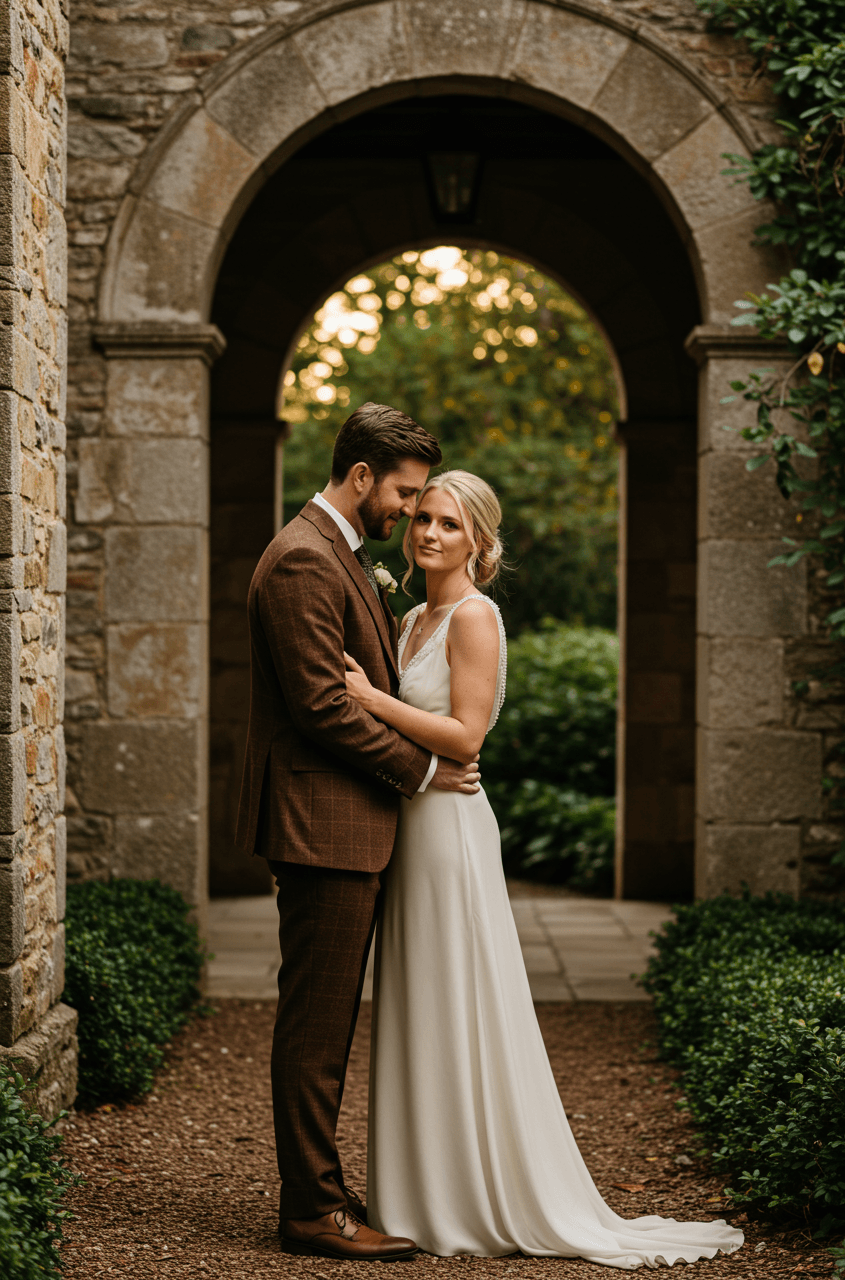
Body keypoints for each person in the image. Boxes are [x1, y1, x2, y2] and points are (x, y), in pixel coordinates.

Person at [343, 470, 745, 1270]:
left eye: (449, 525)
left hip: (451, 832)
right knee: (418, 1001)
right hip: (410, 826)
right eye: (422, 518)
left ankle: (471, 1196)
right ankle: (417, 1192)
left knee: (458, 999)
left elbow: (462, 738)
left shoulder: (474, 617)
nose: (427, 534)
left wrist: (371, 700)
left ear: (479, 544)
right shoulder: (412, 615)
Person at [235, 405, 482, 1262]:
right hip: (321, 825)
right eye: (407, 496)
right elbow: (322, 707)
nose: (411, 515)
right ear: (363, 475)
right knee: (316, 1026)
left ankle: (325, 1189)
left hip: (343, 824)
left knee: (328, 1022)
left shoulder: (338, 553)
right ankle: (311, 1211)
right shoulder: (305, 558)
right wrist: (422, 771)